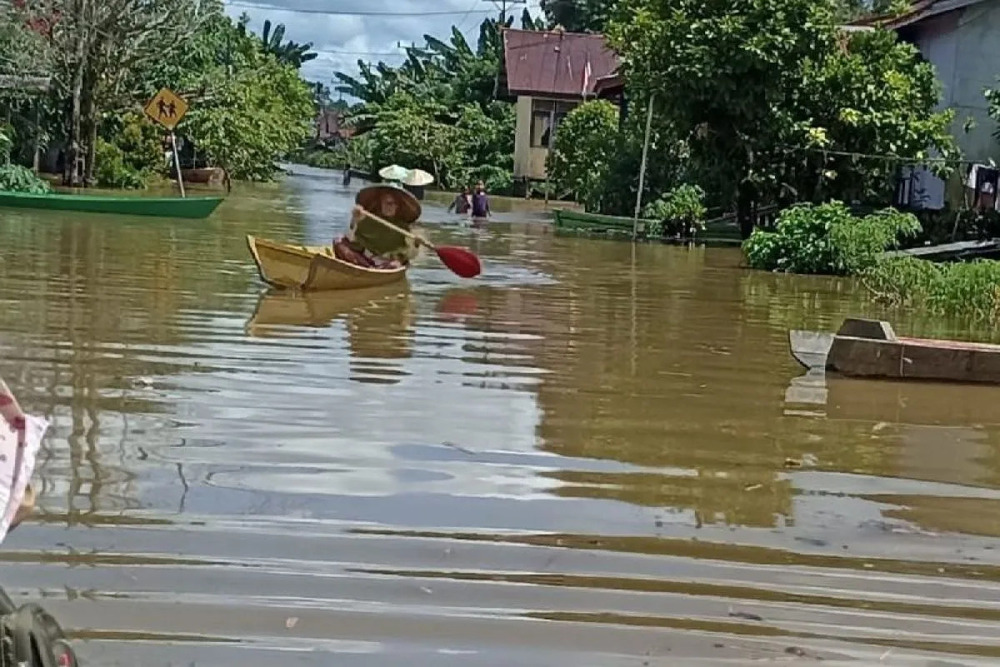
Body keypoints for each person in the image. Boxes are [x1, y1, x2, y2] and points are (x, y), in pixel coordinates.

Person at [333, 184, 424, 269]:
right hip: (362, 259)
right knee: (338, 240)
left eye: (392, 204)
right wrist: (355, 219)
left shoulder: (403, 227)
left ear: (398, 206)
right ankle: (367, 268)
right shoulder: (368, 218)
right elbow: (352, 239)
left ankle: (372, 271)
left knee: (394, 265)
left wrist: (416, 244)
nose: (389, 207)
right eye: (386, 203)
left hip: (385, 264)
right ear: (380, 203)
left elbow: (409, 253)